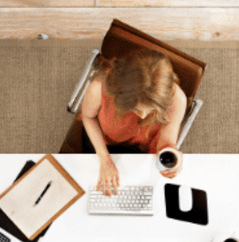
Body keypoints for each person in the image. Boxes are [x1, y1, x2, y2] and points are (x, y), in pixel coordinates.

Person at [80, 50, 187, 195]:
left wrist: (174, 154)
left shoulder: (177, 99)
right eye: (136, 109)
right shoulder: (98, 88)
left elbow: (166, 142)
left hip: (143, 146)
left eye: (151, 110)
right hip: (105, 140)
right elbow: (88, 117)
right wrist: (105, 159)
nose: (143, 116)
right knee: (91, 184)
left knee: (143, 190)